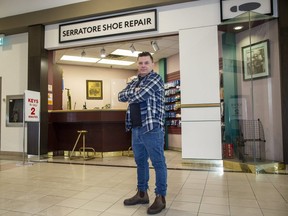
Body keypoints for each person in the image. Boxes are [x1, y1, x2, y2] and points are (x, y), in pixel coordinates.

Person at [118, 51, 167, 214]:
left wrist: (133, 93)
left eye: (146, 62)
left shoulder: (156, 79)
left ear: (152, 64)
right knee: (140, 162)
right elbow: (120, 96)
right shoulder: (134, 81)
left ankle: (160, 197)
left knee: (158, 163)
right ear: (137, 65)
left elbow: (141, 94)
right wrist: (134, 92)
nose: (143, 65)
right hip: (136, 128)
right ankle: (142, 193)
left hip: (151, 127)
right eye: (140, 63)